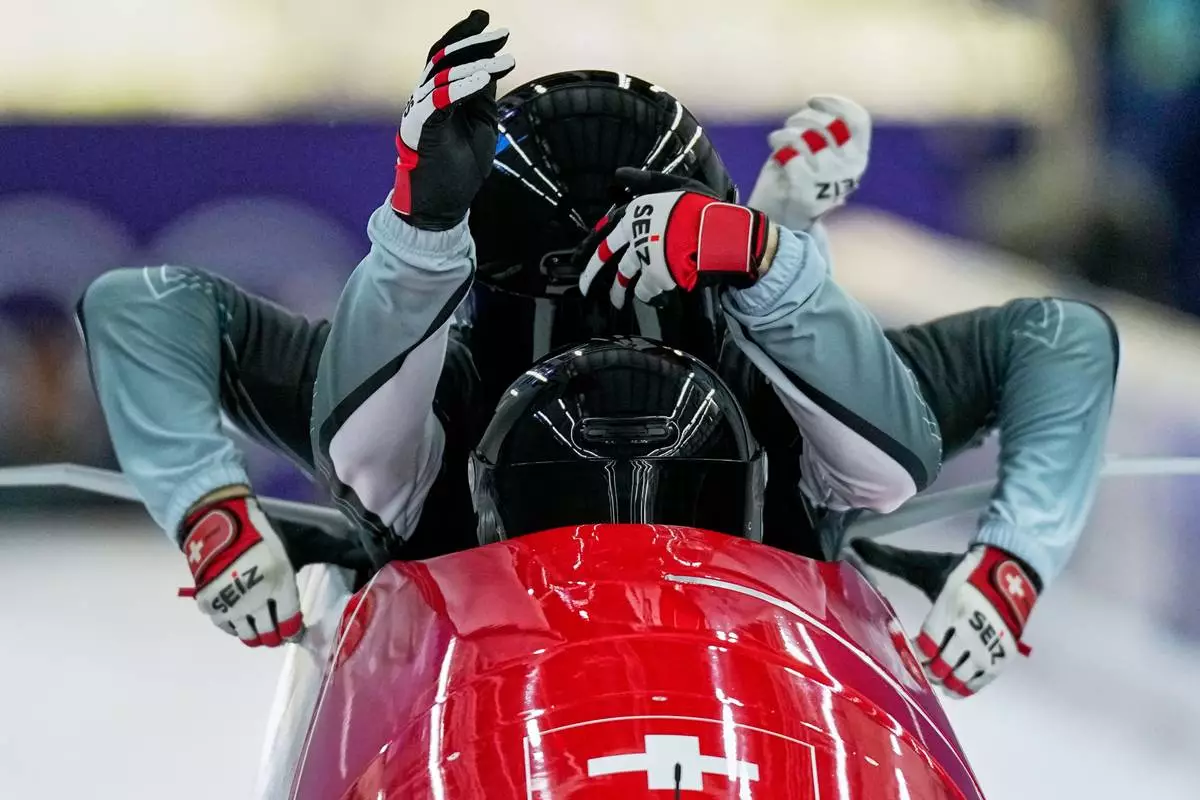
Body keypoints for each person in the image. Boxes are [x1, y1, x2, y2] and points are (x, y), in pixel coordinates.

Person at [77, 11, 941, 651]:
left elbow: (896, 458)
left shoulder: (401, 408)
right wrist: (779, 251)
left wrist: (775, 251)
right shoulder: (420, 409)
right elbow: (142, 307)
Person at [712, 100, 1121, 697]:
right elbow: (1065, 337)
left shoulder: (779, 394)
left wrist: (1012, 563)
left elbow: (1061, 340)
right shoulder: (771, 379)